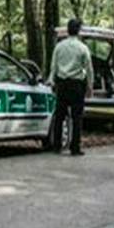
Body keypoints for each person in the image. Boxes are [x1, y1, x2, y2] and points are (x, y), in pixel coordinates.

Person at [48, 18, 94, 156]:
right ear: (79, 31)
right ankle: (75, 147)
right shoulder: (82, 48)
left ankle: (57, 145)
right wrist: (90, 86)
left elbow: (53, 66)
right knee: (77, 117)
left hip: (62, 84)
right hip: (76, 85)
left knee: (60, 115)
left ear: (67, 30)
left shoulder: (59, 46)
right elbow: (89, 69)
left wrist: (52, 81)